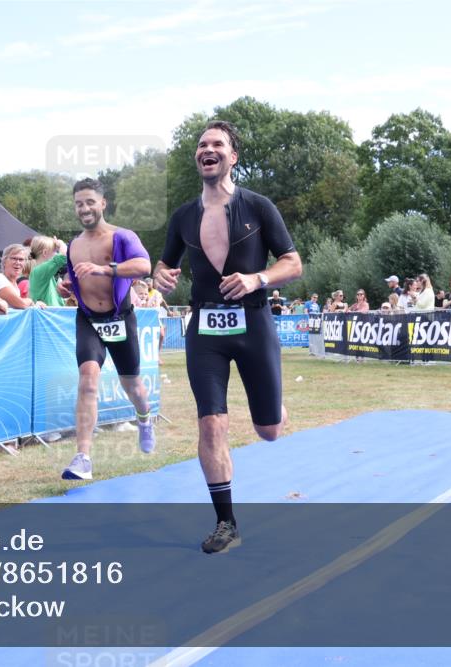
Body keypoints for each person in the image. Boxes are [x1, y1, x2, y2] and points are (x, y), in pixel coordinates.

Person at [152, 120, 302, 554]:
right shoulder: (182, 216)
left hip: (253, 323)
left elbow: (292, 264)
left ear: (233, 157)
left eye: (217, 144)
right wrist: (163, 277)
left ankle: (273, 407)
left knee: (268, 429)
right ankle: (226, 523)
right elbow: (164, 266)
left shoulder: (258, 207)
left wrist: (257, 279)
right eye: (202, 145)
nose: (207, 149)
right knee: (211, 422)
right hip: (205, 330)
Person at [60, 178, 155, 481]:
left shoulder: (122, 237)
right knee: (88, 381)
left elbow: (144, 266)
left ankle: (144, 418)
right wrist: (70, 288)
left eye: (89, 202)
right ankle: (83, 457)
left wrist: (104, 268)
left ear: (102, 203)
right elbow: (79, 279)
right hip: (88, 320)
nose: (84, 208)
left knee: (134, 387)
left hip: (120, 318)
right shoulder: (74, 245)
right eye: (78, 203)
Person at [0, 243, 40, 309]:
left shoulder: (13, 283)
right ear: (4, 261)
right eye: (14, 258)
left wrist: (37, 304)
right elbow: (22, 304)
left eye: (21, 260)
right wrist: (30, 301)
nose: (17, 262)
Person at [27, 235, 68, 307]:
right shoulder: (40, 271)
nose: (56, 254)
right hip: (48, 317)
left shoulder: (42, 272)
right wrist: (61, 243)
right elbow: (63, 256)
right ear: (45, 252)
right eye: (55, 251)